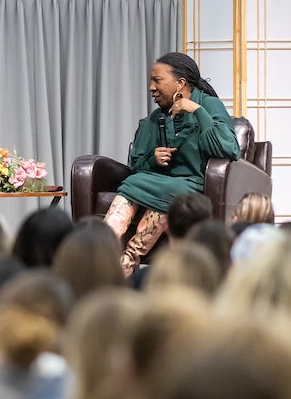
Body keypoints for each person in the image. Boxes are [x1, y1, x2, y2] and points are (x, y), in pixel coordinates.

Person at [102, 53, 241, 276]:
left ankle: (128, 259)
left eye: (157, 80)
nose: (151, 87)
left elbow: (229, 149)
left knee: (171, 192)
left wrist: (196, 110)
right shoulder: (156, 117)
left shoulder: (209, 105)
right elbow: (136, 165)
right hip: (162, 183)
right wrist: (153, 159)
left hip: (192, 186)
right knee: (133, 181)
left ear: (181, 83)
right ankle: (102, 248)